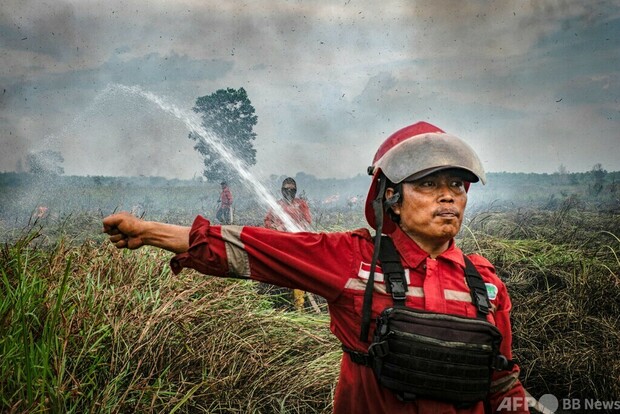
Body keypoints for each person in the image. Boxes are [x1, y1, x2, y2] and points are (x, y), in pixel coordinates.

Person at [103, 121, 529, 413]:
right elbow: (257, 246)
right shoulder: (352, 258)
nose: (448, 196)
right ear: (391, 199)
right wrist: (150, 232)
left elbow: (503, 384)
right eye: (428, 184)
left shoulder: (486, 285)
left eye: (457, 184)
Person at [263, 177, 313, 310]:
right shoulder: (277, 205)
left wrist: (294, 229)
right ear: (282, 190)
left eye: (292, 189)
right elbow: (267, 221)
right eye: (286, 189)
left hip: (297, 245)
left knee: (297, 275)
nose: (289, 192)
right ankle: (279, 304)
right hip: (280, 245)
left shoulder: (301, 204)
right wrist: (275, 228)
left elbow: (307, 222)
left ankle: (299, 307)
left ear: (295, 191)